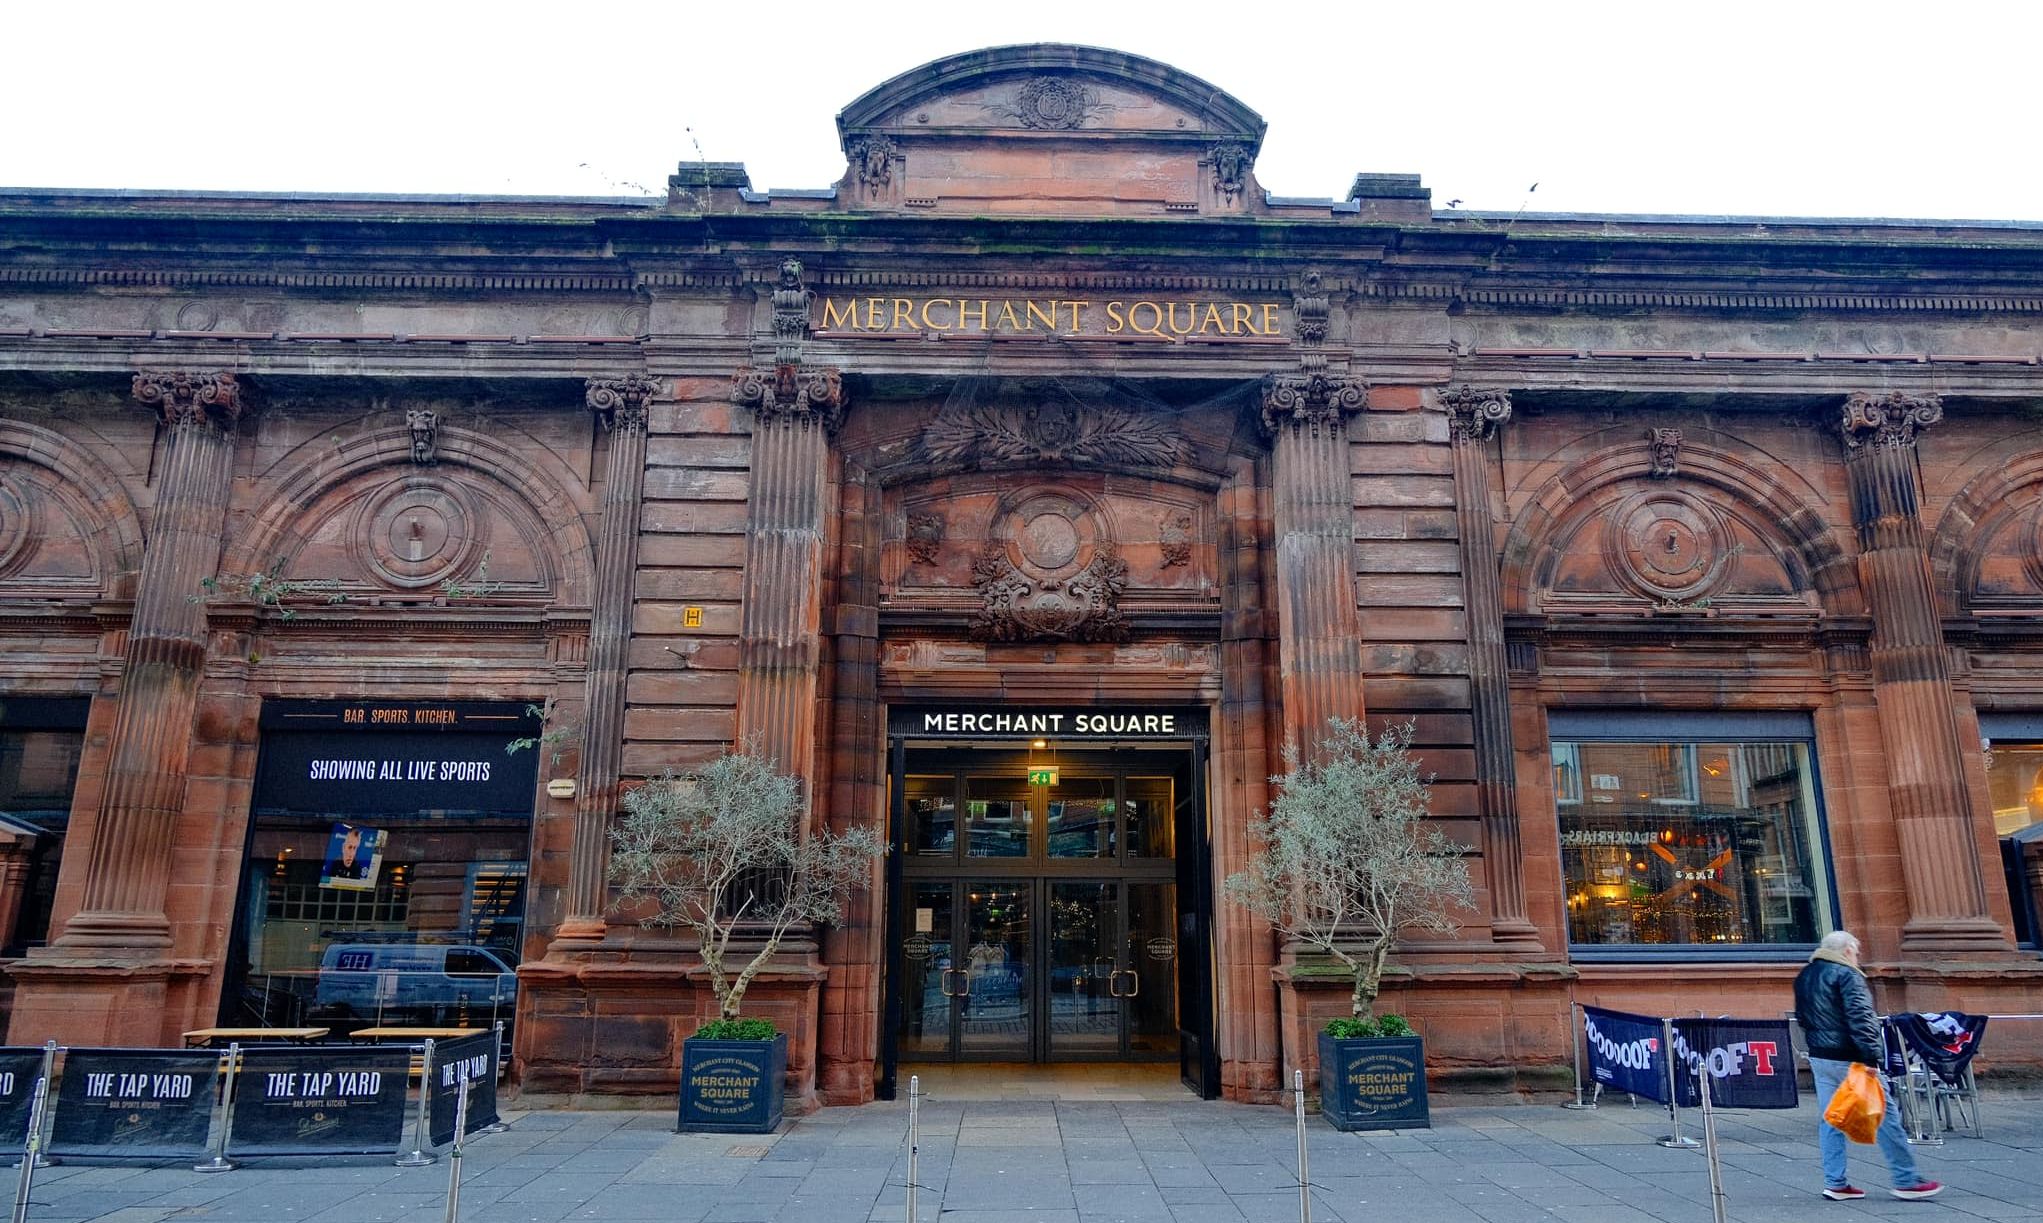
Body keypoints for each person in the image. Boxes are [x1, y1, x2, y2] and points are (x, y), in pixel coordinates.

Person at [1793, 930, 1943, 1201]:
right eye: (1856, 951)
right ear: (1847, 951)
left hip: (1820, 1056)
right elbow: (1862, 1018)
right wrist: (1871, 1057)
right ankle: (1906, 1179)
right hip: (1851, 1058)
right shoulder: (1847, 975)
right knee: (1886, 1116)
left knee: (1832, 1119)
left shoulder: (1806, 975)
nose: (1858, 956)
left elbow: (1803, 1017)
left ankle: (1835, 1182)